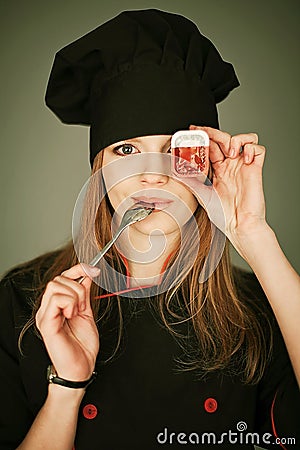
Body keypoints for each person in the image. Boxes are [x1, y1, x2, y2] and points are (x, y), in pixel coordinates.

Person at [0, 9, 299, 450]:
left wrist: (252, 231)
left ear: (207, 165)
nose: (152, 176)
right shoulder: (25, 304)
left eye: (176, 149)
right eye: (127, 149)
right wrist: (67, 387)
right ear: (99, 170)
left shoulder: (264, 310)